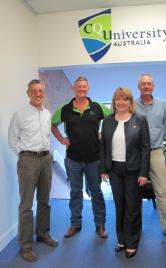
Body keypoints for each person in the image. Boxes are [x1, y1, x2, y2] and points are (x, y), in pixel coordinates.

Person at [51, 76, 111, 239]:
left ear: (88, 88)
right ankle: (75, 224)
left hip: (94, 159)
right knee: (75, 192)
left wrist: (103, 134)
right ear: (74, 88)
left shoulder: (97, 107)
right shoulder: (65, 108)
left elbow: (113, 118)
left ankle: (100, 225)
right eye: (79, 86)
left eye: (84, 86)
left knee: (96, 192)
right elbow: (52, 124)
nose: (81, 89)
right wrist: (61, 139)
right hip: (73, 159)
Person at [8, 79, 58, 263]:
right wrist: (25, 156)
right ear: (28, 93)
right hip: (28, 160)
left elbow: (46, 137)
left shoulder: (47, 114)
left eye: (41, 91)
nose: (38, 94)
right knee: (26, 205)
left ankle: (43, 234)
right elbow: (12, 141)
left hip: (46, 159)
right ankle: (26, 245)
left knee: (45, 200)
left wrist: (47, 155)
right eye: (34, 91)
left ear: (44, 93)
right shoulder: (19, 115)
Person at [100, 87, 150, 258]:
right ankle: (121, 239)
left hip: (133, 171)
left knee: (133, 207)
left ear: (130, 102)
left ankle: (132, 241)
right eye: (117, 99)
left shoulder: (140, 120)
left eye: (124, 99)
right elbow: (103, 147)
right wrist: (103, 169)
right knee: (119, 205)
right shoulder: (107, 121)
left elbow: (145, 148)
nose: (121, 102)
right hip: (114, 170)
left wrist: (144, 173)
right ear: (114, 102)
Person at [136, 74, 166, 243]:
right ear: (139, 86)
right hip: (137, 154)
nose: (146, 86)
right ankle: (136, 229)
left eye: (149, 84)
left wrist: (156, 142)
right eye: (143, 84)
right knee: (135, 192)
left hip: (156, 152)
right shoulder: (132, 105)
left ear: (153, 86)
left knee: (162, 191)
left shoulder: (161, 104)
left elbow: (165, 128)